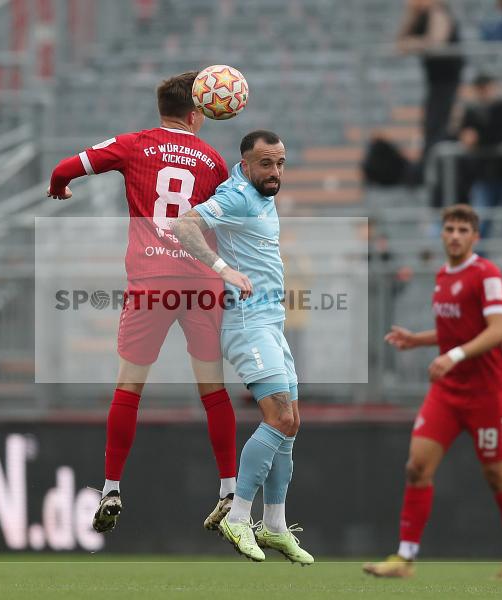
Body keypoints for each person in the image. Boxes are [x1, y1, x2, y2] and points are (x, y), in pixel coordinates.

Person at [46, 71, 238, 534]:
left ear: (161, 110)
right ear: (197, 115)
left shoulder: (134, 144)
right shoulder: (213, 160)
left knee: (129, 387)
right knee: (213, 390)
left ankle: (112, 485)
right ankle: (230, 490)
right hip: (199, 284)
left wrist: (59, 186)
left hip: (150, 283)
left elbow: (65, 167)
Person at [363, 204, 502, 581]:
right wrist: (418, 340)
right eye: (450, 229)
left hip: (486, 395)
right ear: (442, 234)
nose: (455, 235)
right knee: (417, 467)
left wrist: (452, 355)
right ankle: (404, 558)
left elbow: (497, 329)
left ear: (475, 237)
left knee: (497, 475)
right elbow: (456, 330)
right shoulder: (442, 275)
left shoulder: (487, 274)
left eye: (462, 230)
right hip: (448, 393)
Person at [174, 130, 314, 565]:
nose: (275, 173)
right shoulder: (235, 194)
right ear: (247, 164)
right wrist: (223, 268)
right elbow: (184, 225)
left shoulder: (261, 193)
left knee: (291, 423)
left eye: (281, 164)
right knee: (278, 415)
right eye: (266, 165)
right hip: (246, 322)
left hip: (272, 322)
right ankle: (238, 516)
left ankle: (274, 526)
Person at [396, 0, 464, 184]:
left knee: (440, 134)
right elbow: (400, 43)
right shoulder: (421, 16)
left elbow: (436, 43)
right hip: (435, 85)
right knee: (431, 132)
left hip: (449, 86)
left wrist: (415, 43)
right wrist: (412, 14)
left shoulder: (440, 12)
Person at [459, 74, 502, 243]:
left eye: (485, 88)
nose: (483, 92)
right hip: (485, 176)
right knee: (480, 223)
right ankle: (477, 265)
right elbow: (463, 134)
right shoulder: (472, 111)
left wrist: (478, 139)